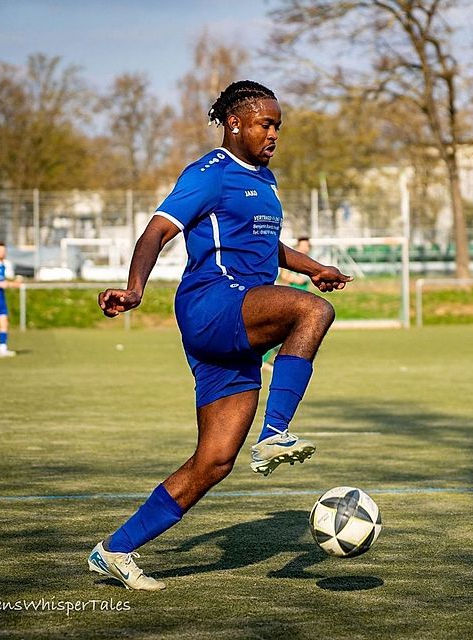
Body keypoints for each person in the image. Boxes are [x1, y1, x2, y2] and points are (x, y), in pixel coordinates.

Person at [89, 80, 352, 591]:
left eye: (278, 125)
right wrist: (134, 288)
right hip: (214, 303)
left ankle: (114, 550)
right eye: (265, 124)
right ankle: (275, 434)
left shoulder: (265, 179)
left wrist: (312, 265)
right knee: (313, 312)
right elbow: (157, 231)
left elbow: (264, 243)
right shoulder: (209, 173)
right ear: (235, 123)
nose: (274, 133)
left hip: (237, 321)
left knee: (214, 461)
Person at [262, 237, 313, 372]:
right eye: (303, 246)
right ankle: (264, 360)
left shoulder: (309, 263)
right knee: (279, 333)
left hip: (302, 302)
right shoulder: (292, 261)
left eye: (307, 246)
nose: (305, 248)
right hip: (290, 303)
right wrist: (295, 279)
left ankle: (285, 360)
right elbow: (285, 276)